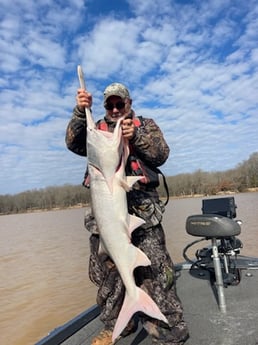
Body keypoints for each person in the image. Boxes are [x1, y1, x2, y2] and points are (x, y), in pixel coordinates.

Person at [65, 82, 189, 345]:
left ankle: (168, 328)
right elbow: (73, 142)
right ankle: (117, 325)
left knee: (155, 270)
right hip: (106, 214)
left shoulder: (145, 125)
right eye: (109, 104)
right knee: (107, 273)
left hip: (143, 212)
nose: (114, 108)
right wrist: (79, 111)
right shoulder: (96, 129)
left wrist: (136, 138)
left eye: (119, 103)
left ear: (129, 103)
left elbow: (161, 154)